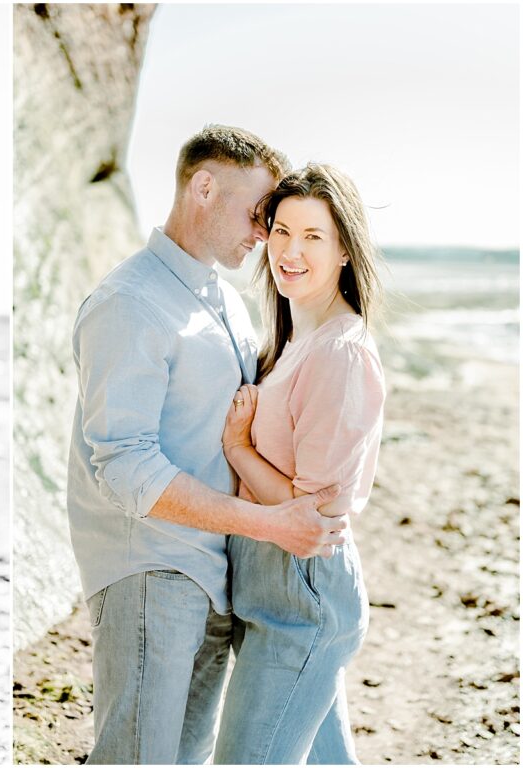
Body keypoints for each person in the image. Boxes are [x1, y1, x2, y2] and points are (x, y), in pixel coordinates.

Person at [67, 125, 350, 765]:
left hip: (219, 573)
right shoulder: (129, 302)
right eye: (257, 214)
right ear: (203, 187)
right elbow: (126, 468)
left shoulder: (225, 300)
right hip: (150, 572)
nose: (262, 234)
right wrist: (268, 523)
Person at [214, 164, 385, 765]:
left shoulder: (340, 351)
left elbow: (308, 513)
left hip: (303, 601)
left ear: (344, 250)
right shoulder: (292, 341)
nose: (291, 251)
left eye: (313, 236)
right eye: (282, 232)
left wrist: (238, 449)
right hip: (274, 594)